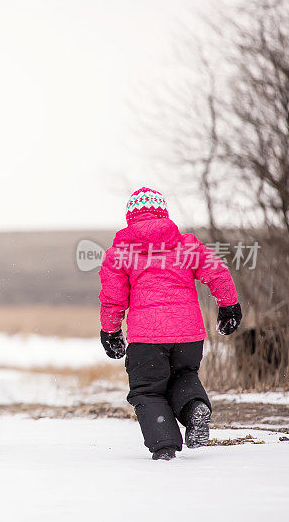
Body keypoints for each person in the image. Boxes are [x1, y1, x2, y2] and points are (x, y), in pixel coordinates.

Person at [99, 187, 242, 460]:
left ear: (130, 216)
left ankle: (164, 445)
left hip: (147, 338)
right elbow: (217, 273)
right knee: (183, 376)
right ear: (164, 212)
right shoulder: (187, 244)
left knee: (147, 390)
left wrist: (111, 331)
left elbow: (113, 299)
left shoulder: (120, 252)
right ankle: (194, 408)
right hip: (188, 335)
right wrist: (228, 305)